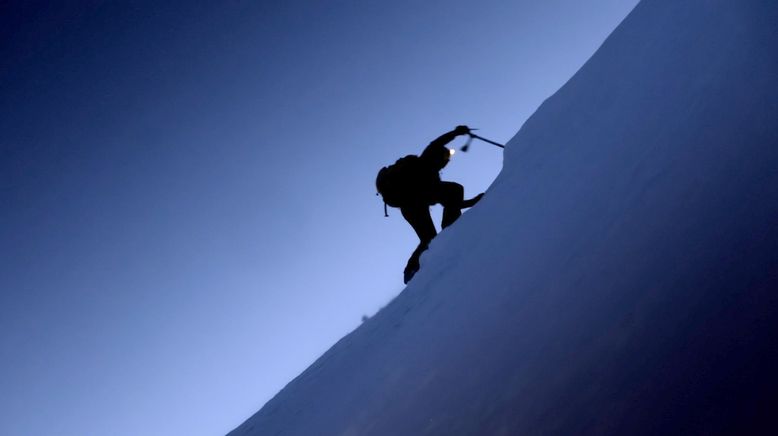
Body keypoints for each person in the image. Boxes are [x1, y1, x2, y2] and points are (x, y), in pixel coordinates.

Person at [378, 125, 483, 283]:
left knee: (429, 239)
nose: (445, 163)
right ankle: (450, 228)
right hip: (413, 202)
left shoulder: (430, 177)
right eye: (445, 160)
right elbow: (437, 142)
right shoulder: (425, 164)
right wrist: (455, 133)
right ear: (440, 158)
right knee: (454, 189)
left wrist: (474, 201)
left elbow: (451, 203)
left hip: (409, 206)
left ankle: (411, 270)